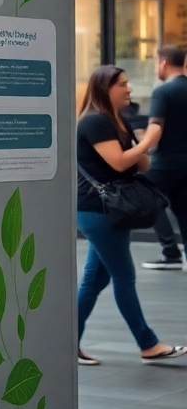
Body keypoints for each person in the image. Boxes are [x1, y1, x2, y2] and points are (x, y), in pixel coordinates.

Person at [76, 65, 187, 366]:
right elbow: (119, 162)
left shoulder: (114, 121)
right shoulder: (95, 122)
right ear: (105, 88)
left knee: (94, 280)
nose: (128, 89)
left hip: (107, 210)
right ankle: (148, 344)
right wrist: (150, 138)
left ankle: (67, 343)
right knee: (124, 276)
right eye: (122, 84)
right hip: (99, 210)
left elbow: (142, 165)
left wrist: (144, 147)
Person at [144, 46, 187, 270]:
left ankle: (170, 252)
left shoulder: (163, 91)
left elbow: (156, 126)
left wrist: (142, 148)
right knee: (182, 208)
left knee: (147, 198)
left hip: (166, 161)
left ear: (164, 63)